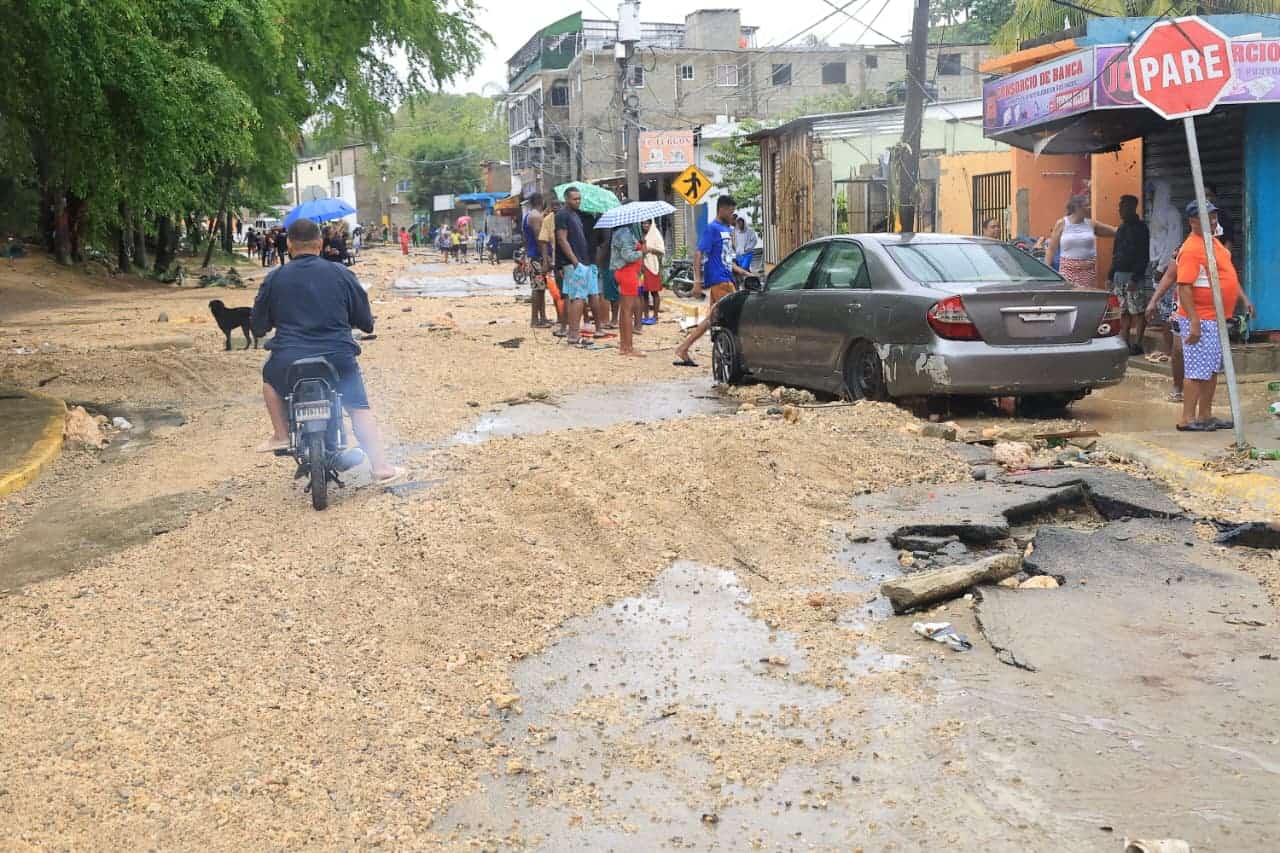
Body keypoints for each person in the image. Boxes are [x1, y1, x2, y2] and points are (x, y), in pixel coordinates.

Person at [250, 218, 404, 484]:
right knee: (358, 407)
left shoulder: (275, 277)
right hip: (337, 358)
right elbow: (365, 321)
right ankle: (381, 467)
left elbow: (258, 325)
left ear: (289, 245)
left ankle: (281, 434)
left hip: (288, 360)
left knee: (269, 383)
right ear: (320, 244)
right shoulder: (342, 274)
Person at [1173, 200, 1253, 432]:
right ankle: (1187, 419)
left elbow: (1226, 275)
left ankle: (1205, 415)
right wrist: (1195, 320)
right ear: (1192, 221)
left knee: (1211, 369)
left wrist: (1243, 299)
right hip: (1201, 318)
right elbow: (1184, 286)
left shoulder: (1212, 243)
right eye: (1207, 217)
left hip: (1215, 318)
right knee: (1197, 371)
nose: (1213, 220)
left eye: (1214, 216)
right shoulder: (1191, 248)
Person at [673, 195, 748, 367]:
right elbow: (699, 253)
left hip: (727, 277)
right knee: (736, 315)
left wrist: (743, 272)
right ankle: (737, 356)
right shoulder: (712, 229)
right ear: (722, 209)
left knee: (712, 319)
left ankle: (684, 348)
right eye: (730, 211)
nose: (732, 215)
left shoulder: (726, 230)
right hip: (720, 280)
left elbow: (726, 258)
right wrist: (698, 281)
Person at [555, 187, 605, 346]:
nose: (578, 201)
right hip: (574, 263)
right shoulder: (562, 214)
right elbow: (562, 239)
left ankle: (573, 333)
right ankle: (574, 335)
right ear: (566, 199)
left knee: (577, 296)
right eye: (574, 199)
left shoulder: (575, 215)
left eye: (579, 199)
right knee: (578, 297)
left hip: (582, 261)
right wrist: (575, 261)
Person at [1109, 194, 1151, 356]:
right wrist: (1110, 276)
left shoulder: (1141, 229)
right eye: (1120, 207)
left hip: (1133, 276)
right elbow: (1115, 254)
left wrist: (1136, 277)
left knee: (1138, 311)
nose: (1120, 210)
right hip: (1119, 276)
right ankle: (1124, 341)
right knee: (1124, 310)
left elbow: (1143, 255)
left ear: (1132, 207)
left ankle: (1138, 344)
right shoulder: (1121, 228)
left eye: (1123, 207)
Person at [1045, 195, 1115, 289]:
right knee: (1070, 298)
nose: (1090, 208)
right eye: (1087, 205)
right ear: (1077, 207)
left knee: (1086, 299)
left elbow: (1113, 231)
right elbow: (1051, 249)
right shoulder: (1062, 223)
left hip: (1088, 272)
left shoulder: (1091, 223)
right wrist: (1047, 271)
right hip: (1068, 271)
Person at [610, 222, 646, 357]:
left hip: (625, 273)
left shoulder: (622, 232)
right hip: (628, 273)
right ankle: (628, 347)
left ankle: (624, 346)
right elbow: (628, 256)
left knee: (624, 310)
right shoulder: (625, 233)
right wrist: (643, 251)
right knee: (627, 311)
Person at [538, 199, 564, 331]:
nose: (555, 208)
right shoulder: (548, 220)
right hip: (556, 260)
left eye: (557, 205)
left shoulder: (569, 217)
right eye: (552, 205)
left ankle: (569, 318)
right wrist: (546, 260)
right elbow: (543, 240)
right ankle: (561, 317)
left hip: (571, 260)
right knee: (557, 291)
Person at [522, 195, 548, 326]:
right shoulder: (536, 217)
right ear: (541, 201)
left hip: (534, 255)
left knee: (540, 288)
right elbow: (540, 239)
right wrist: (545, 258)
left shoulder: (529, 215)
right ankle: (535, 319)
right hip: (537, 257)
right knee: (538, 288)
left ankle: (542, 317)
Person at [641, 217, 664, 324]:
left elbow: (661, 251)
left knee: (654, 292)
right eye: (643, 223)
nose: (645, 225)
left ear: (651, 224)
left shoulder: (656, 234)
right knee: (644, 292)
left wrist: (650, 249)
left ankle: (655, 316)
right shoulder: (641, 235)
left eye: (647, 223)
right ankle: (645, 316)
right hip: (642, 266)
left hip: (653, 266)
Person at [1205, 182, 1234, 249]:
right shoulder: (1195, 217)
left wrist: (1222, 257)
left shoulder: (1223, 217)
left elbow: (1229, 242)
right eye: (1202, 196)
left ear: (1214, 197)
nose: (1205, 199)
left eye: (1208, 195)